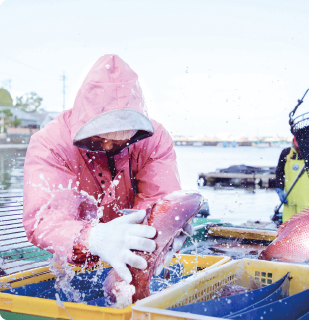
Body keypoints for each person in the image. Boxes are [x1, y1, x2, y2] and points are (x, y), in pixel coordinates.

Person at [22, 54, 189, 284]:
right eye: (100, 139)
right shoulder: (51, 144)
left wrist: (165, 231)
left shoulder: (155, 139)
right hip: (73, 263)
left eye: (121, 141)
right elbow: (45, 220)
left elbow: (158, 200)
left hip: (132, 255)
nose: (110, 146)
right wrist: (93, 238)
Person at [274, 137, 309, 223]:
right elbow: (279, 173)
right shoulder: (286, 153)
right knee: (287, 229)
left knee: (306, 229)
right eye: (297, 147)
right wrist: (279, 189)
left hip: (308, 204)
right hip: (289, 203)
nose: (299, 150)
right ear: (293, 142)